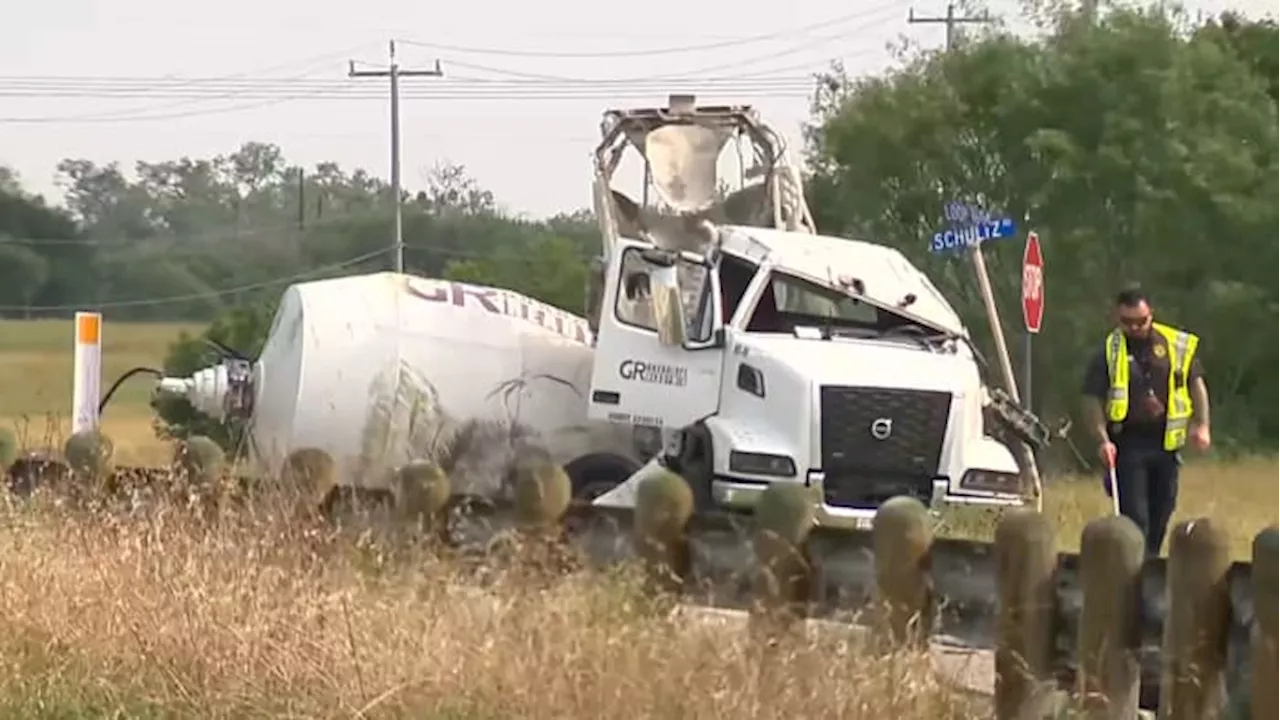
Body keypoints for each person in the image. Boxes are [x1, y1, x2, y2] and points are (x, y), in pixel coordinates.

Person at [1081, 286, 1211, 556]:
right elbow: (1091, 398)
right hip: (1128, 443)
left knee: (1163, 509)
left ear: (1151, 314)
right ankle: (1135, 570)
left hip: (1166, 442)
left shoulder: (1175, 344)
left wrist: (1202, 424)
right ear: (1117, 318)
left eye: (1141, 321)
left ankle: (1150, 561)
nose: (1135, 327)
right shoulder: (1109, 351)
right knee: (1135, 516)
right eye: (1128, 322)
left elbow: (1195, 382)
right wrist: (1102, 440)